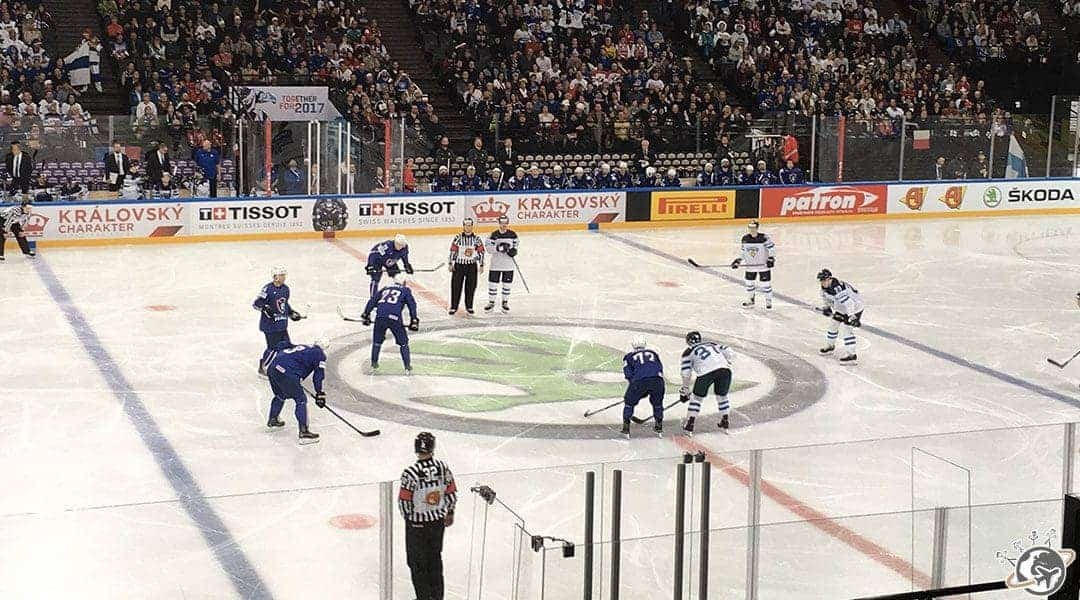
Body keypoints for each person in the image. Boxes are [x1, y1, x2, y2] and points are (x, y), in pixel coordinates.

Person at [399, 432, 457, 600]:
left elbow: (404, 501)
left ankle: (423, 598)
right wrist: (450, 511)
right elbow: (451, 491)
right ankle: (437, 597)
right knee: (434, 560)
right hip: (437, 523)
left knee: (417, 564)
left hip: (417, 526)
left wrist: (410, 520)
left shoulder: (410, 473)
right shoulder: (442, 467)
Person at [263, 338, 327, 443]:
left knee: (280, 394)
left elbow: (282, 344)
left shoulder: (303, 347)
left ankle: (273, 419)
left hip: (273, 368)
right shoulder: (320, 355)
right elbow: (318, 376)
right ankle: (304, 433)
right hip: (288, 373)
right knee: (300, 399)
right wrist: (319, 393)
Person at [679, 331, 736, 434]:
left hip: (706, 373)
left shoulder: (687, 353)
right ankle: (725, 420)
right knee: (722, 397)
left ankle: (690, 424)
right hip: (725, 370)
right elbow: (730, 351)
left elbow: (686, 373)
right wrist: (726, 362)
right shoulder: (712, 344)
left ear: (688, 341)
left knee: (696, 398)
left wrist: (685, 390)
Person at [361, 273, 419, 372]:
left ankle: (374, 363)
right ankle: (407, 366)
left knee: (377, 342)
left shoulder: (385, 289)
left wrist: (366, 314)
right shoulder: (405, 290)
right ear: (404, 282)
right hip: (395, 318)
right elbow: (412, 305)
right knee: (403, 343)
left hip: (380, 316)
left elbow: (373, 300)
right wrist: (414, 319)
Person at [252, 266, 303, 374]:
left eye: (284, 275)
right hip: (270, 326)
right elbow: (256, 304)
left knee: (286, 346)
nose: (284, 277)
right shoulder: (267, 289)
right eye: (282, 275)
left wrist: (291, 313)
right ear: (275, 277)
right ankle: (264, 367)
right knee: (273, 348)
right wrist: (265, 308)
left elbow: (284, 304)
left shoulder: (285, 289)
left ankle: (279, 367)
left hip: (282, 324)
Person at [621, 338, 665, 438]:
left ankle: (626, 427)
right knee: (657, 404)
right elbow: (659, 367)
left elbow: (628, 374)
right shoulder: (653, 353)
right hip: (658, 380)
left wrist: (637, 389)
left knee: (629, 402)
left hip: (639, 381)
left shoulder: (629, 356)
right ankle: (659, 426)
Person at [817, 269, 864, 364]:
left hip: (855, 308)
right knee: (833, 325)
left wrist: (852, 317)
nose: (822, 282)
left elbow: (849, 303)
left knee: (847, 330)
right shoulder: (824, 288)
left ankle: (851, 355)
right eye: (821, 280)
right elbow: (826, 299)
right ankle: (830, 346)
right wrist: (826, 307)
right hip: (841, 308)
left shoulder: (837, 288)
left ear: (829, 279)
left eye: (824, 280)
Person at [730, 220, 775, 309]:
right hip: (750, 266)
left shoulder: (764, 238)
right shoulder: (745, 239)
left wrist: (771, 258)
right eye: (750, 228)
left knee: (766, 284)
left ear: (757, 228)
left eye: (753, 228)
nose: (752, 230)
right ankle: (751, 300)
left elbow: (771, 249)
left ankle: (768, 300)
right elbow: (743, 251)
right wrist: (738, 260)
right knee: (749, 283)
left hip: (763, 266)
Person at [447, 218, 485, 315]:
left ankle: (469, 306)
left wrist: (481, 264)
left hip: (471, 266)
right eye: (466, 225)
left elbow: (481, 251)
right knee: (456, 287)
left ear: (472, 226)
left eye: (469, 225)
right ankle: (454, 306)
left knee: (471, 287)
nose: (468, 227)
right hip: (459, 266)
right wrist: (450, 263)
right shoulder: (458, 237)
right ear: (463, 226)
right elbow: (453, 250)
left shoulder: (476, 239)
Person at [484, 215, 519, 312]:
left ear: (507, 223)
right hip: (495, 265)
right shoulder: (493, 235)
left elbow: (516, 246)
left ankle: (505, 302)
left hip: (508, 265)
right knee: (493, 284)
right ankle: (491, 302)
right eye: (502, 223)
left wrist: (513, 251)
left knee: (507, 284)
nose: (504, 225)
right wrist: (499, 248)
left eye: (505, 223)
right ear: (499, 223)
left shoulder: (513, 235)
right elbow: (488, 249)